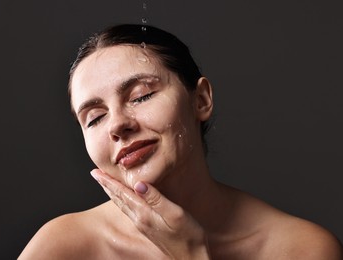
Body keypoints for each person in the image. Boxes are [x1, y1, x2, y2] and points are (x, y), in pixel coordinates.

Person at [19, 24, 342, 259]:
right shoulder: (62, 246)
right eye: (95, 118)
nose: (117, 124)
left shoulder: (301, 249)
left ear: (200, 100)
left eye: (141, 96)